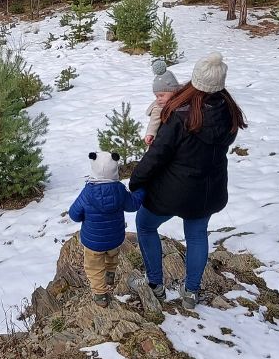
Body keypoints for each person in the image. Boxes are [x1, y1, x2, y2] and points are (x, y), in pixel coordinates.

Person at [128, 52, 247, 309]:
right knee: (196, 235)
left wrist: (136, 180)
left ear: (195, 80)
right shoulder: (229, 110)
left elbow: (158, 155)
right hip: (208, 191)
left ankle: (155, 285)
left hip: (172, 192)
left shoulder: (181, 115)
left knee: (146, 225)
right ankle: (191, 292)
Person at [68, 151, 145, 306]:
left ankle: (100, 294)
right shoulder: (120, 190)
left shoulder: (88, 192)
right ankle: (110, 273)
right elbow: (133, 205)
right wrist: (141, 190)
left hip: (93, 242)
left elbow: (74, 215)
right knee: (112, 254)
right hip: (115, 238)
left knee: (94, 267)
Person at [145, 58, 182, 146]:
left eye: (161, 95)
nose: (159, 99)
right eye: (156, 96)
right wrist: (150, 133)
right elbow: (154, 120)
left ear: (174, 91)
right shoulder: (159, 106)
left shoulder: (182, 98)